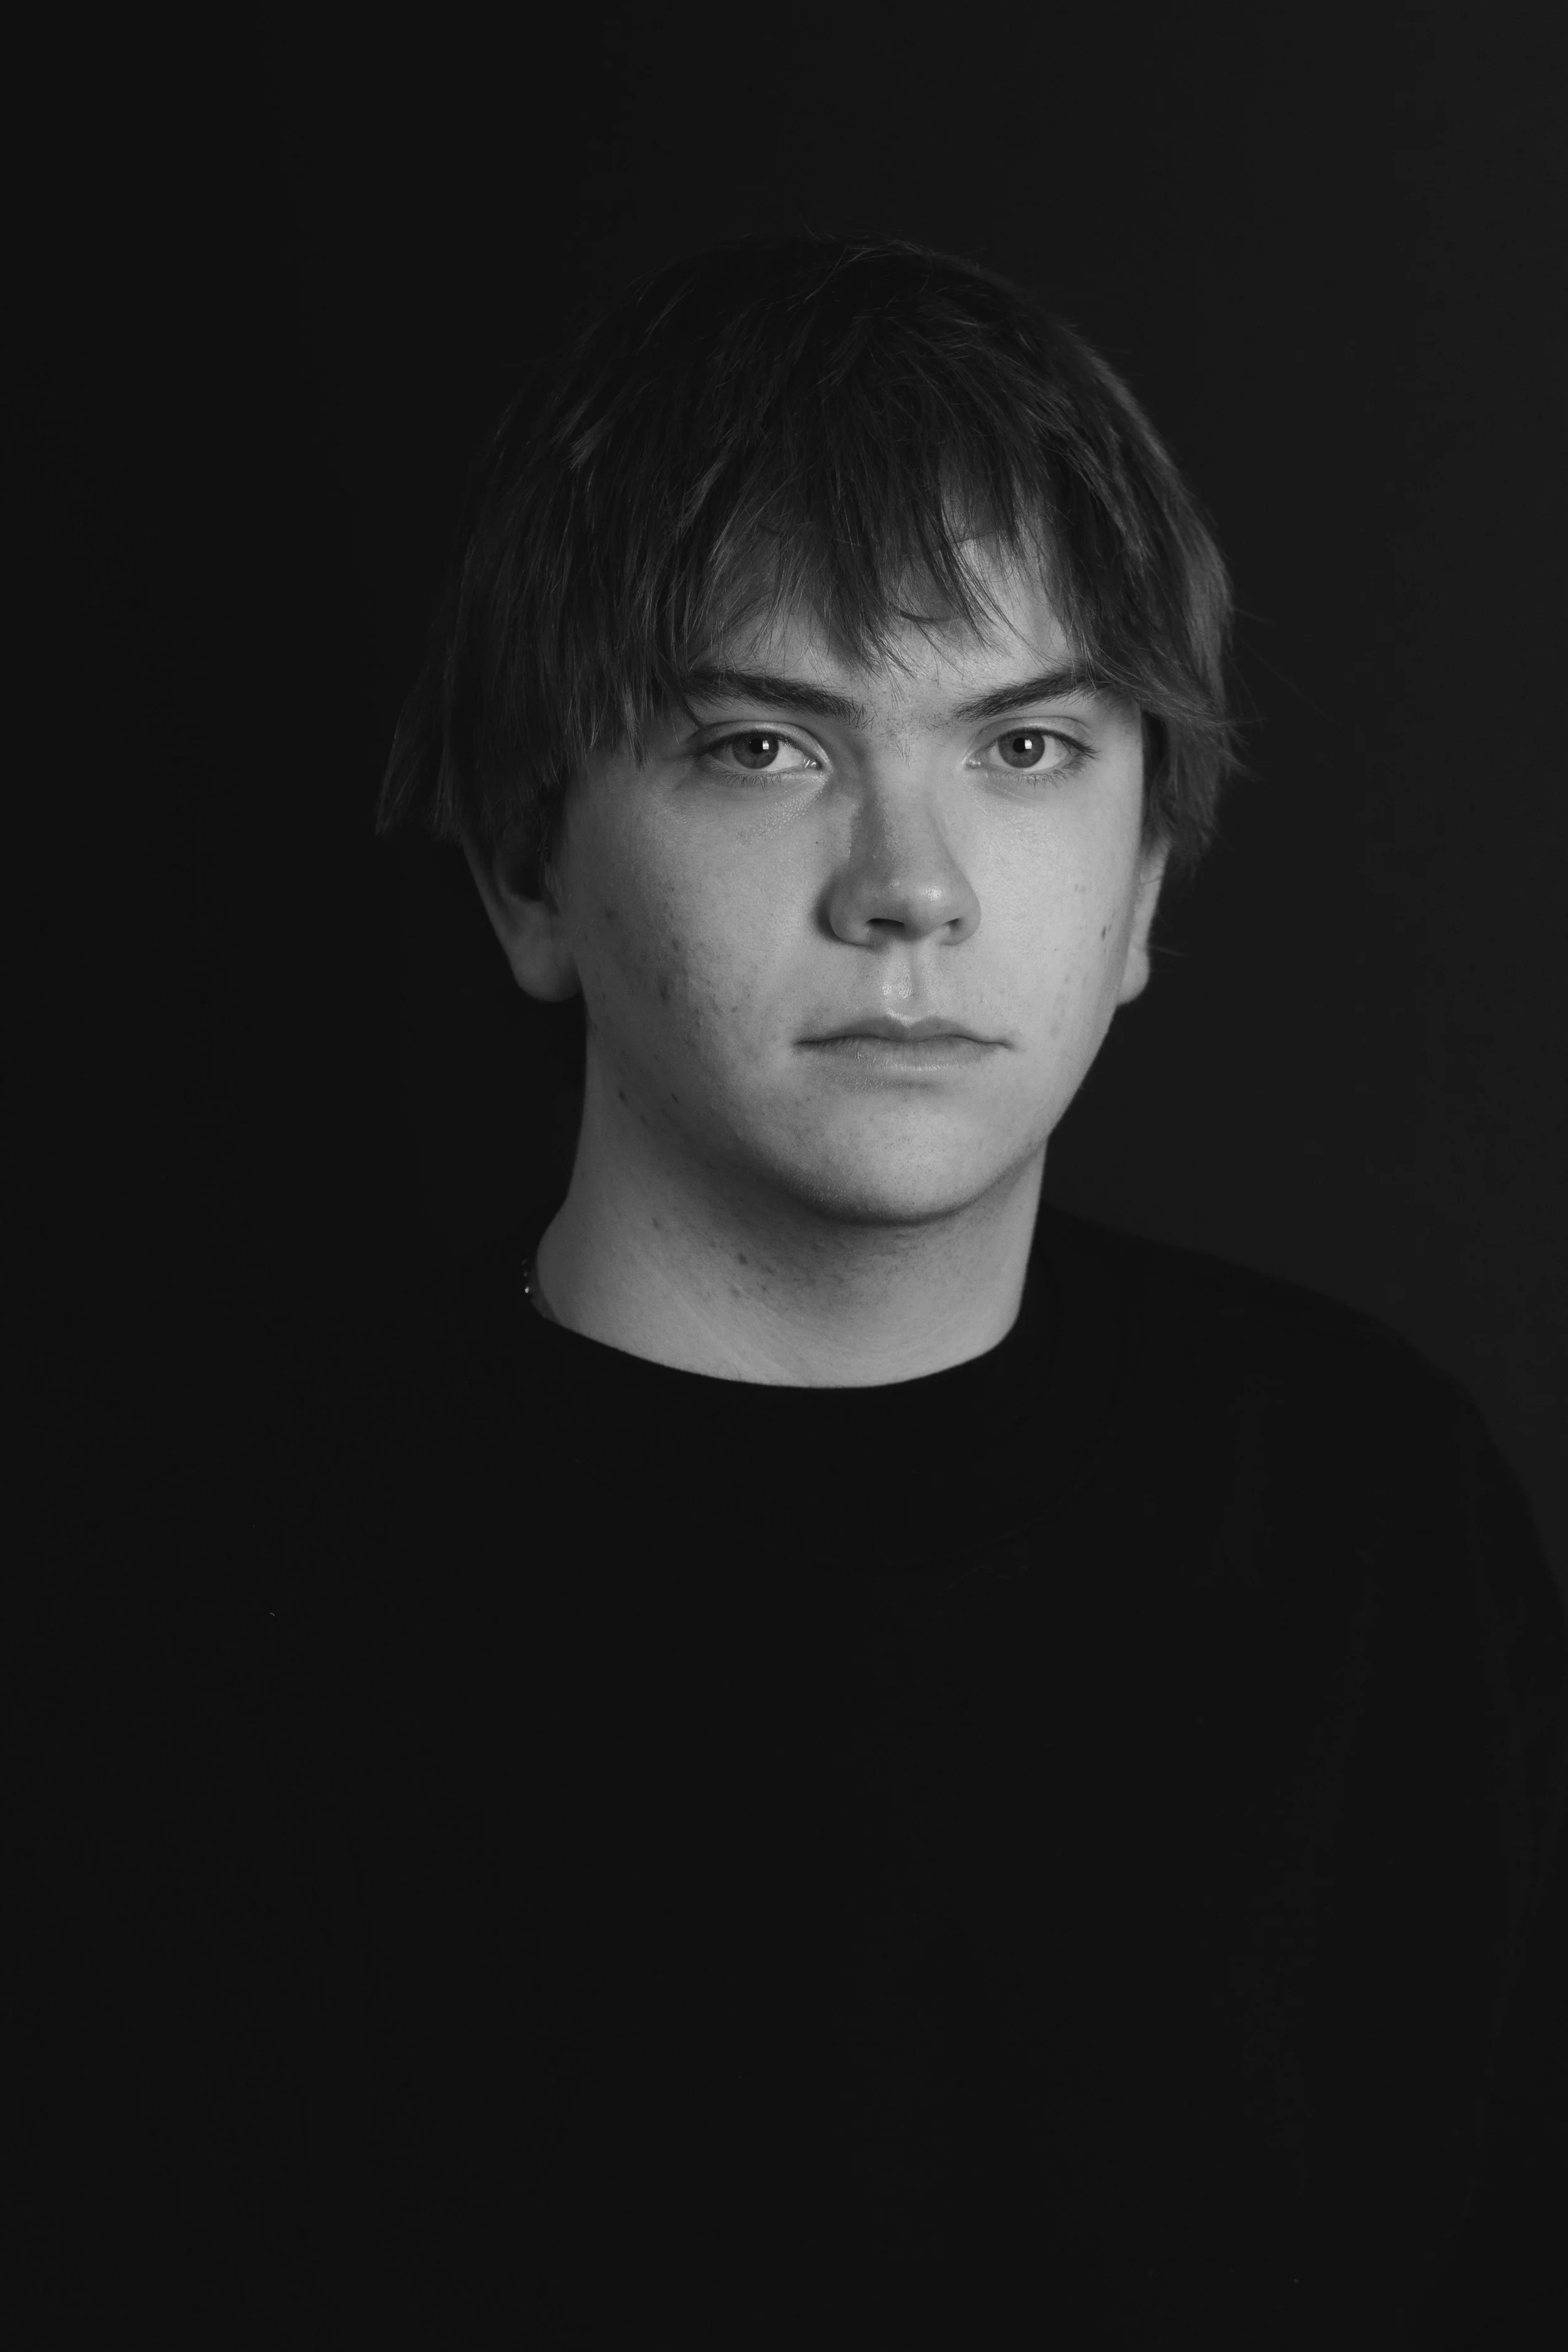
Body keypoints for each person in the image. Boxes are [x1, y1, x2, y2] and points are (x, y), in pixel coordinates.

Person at [9, 233, 1566, 2349]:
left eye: (1023, 748)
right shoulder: (187, 1649)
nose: (908, 884)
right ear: (528, 869)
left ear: (1144, 884)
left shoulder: (1380, 1518)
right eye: (763, 746)